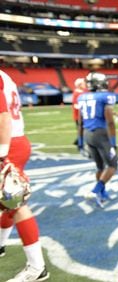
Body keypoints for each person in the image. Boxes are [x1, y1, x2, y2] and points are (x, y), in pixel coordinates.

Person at [0, 70, 50, 281]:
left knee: (14, 201)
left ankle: (37, 267)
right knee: (7, 202)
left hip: (8, 144)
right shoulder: (5, 75)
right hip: (14, 142)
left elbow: (3, 117)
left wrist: (2, 155)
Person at [77, 72, 118, 208]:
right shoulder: (105, 97)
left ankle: (102, 192)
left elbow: (80, 121)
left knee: (100, 166)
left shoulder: (82, 97)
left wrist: (80, 141)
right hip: (101, 133)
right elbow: (110, 122)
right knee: (113, 165)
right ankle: (96, 190)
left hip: (88, 134)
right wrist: (113, 142)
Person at [71, 77, 86, 147]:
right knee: (81, 129)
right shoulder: (77, 93)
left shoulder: (82, 92)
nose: (85, 84)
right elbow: (76, 105)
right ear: (79, 85)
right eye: (83, 83)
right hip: (79, 115)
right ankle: (79, 143)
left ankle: (78, 141)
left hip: (82, 115)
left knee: (83, 130)